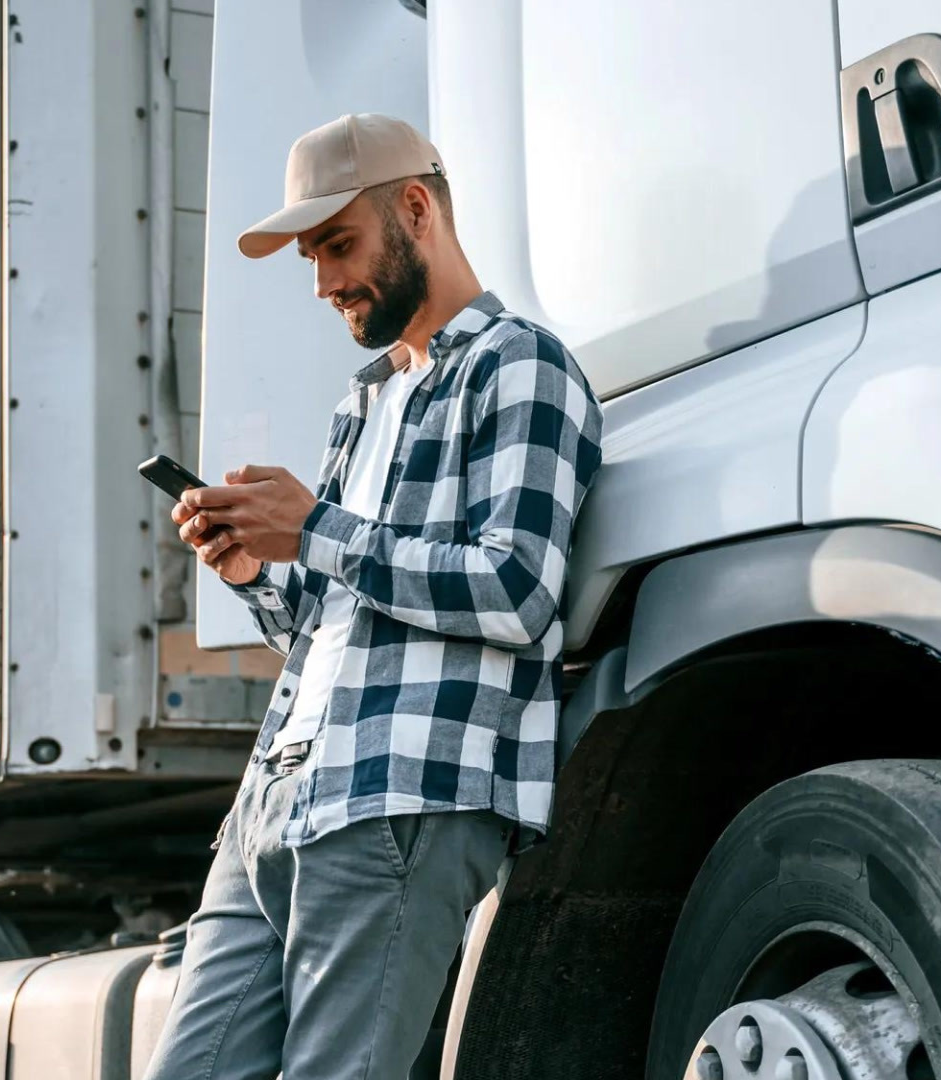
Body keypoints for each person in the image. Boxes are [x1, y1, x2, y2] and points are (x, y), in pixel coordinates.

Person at [145, 113, 602, 1080]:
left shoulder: (521, 367)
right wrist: (254, 569)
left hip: (402, 794)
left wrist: (316, 529)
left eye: (338, 246)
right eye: (312, 257)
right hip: (276, 796)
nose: (323, 284)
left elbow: (517, 590)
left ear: (417, 208)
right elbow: (335, 622)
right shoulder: (363, 401)